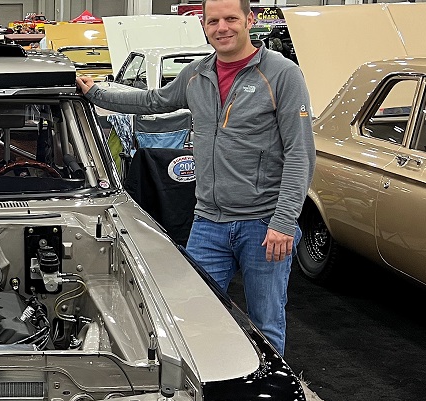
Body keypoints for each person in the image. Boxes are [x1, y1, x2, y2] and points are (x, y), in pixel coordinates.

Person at [77, 0, 314, 355]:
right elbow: (153, 101)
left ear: (249, 20)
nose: (223, 27)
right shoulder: (197, 74)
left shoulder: (282, 74)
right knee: (195, 315)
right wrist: (97, 92)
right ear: (204, 25)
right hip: (208, 222)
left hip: (263, 224)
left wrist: (283, 222)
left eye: (231, 18)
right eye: (213, 20)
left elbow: (301, 152)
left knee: (265, 322)